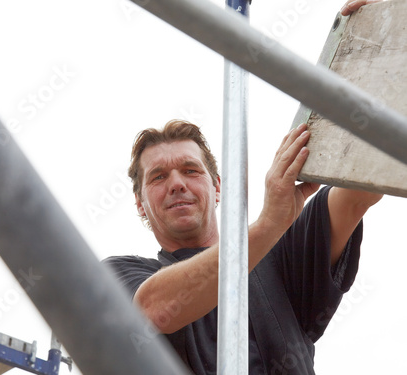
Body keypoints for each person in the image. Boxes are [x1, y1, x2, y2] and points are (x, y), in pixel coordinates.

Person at [103, 2, 384, 373]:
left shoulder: (281, 258)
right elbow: (155, 309)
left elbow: (365, 177)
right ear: (140, 204)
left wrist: (379, 39)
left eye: (190, 170)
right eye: (158, 177)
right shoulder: (120, 275)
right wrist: (269, 222)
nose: (176, 184)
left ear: (218, 188)